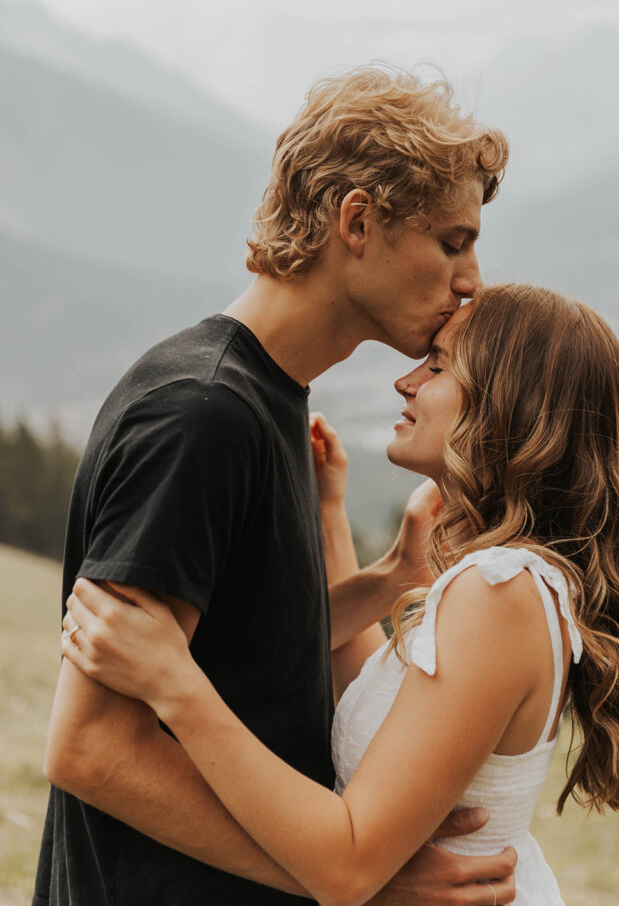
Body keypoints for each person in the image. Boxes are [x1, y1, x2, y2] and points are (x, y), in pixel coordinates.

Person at [35, 66, 517, 906]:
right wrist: (353, 874)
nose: (471, 278)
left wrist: (381, 587)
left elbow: (240, 655)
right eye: (452, 240)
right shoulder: (202, 416)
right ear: (358, 221)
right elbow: (92, 747)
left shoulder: (266, 404)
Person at [60, 283, 619, 906]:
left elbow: (349, 866)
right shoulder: (509, 586)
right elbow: (373, 709)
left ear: (510, 406)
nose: (406, 382)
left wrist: (175, 683)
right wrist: (332, 519)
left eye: (437, 365)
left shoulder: (499, 593)